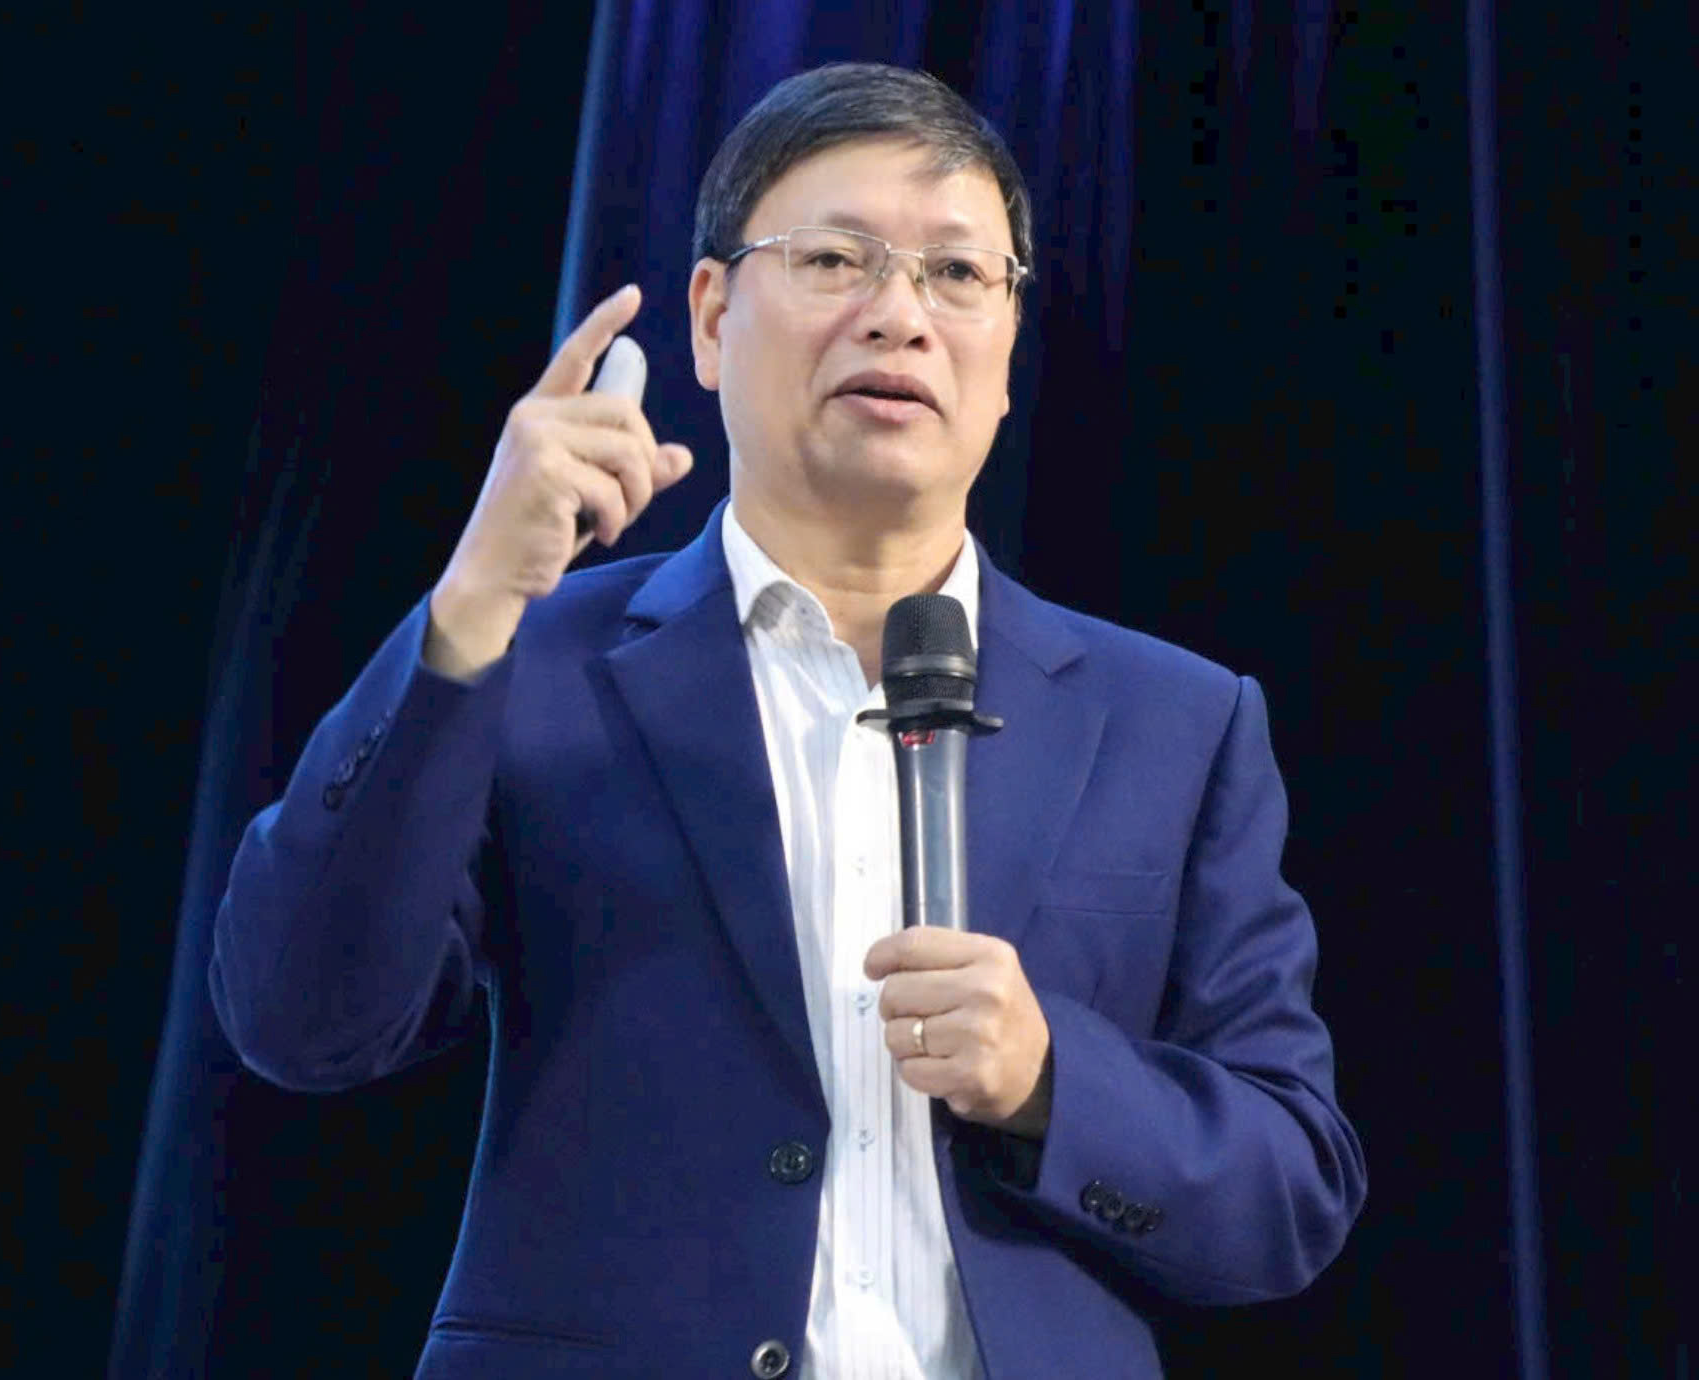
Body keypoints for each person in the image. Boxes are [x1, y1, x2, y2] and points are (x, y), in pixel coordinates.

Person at [210, 62, 1365, 1379]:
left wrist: (1051, 1079)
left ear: (1007, 347)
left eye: (957, 274)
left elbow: (1292, 1187)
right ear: (711, 320)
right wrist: (470, 606)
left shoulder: (1177, 721)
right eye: (834, 260)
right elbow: (298, 1019)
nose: (899, 317)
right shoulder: (531, 658)